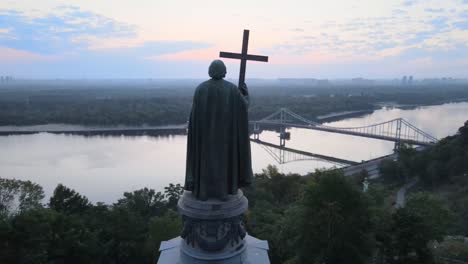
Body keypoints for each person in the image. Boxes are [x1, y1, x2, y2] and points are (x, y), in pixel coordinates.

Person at [184, 60, 253, 201]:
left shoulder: (200, 89)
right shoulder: (232, 89)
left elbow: (194, 117)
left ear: (210, 70)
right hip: (225, 139)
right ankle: (223, 192)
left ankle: (203, 192)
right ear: (224, 71)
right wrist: (246, 95)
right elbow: (243, 107)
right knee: (224, 162)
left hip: (205, 139)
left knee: (205, 162)